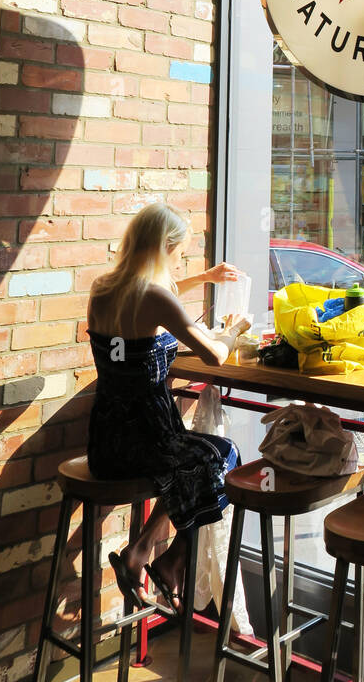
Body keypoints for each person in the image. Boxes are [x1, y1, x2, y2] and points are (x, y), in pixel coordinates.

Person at [86, 202, 249, 616]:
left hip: (105, 444)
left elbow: (159, 298)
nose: (181, 264)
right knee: (223, 455)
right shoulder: (155, 297)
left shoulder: (104, 289)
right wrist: (235, 331)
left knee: (194, 464)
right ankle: (167, 559)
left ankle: (143, 554)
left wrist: (206, 278)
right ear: (164, 250)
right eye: (179, 256)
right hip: (150, 441)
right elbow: (213, 356)